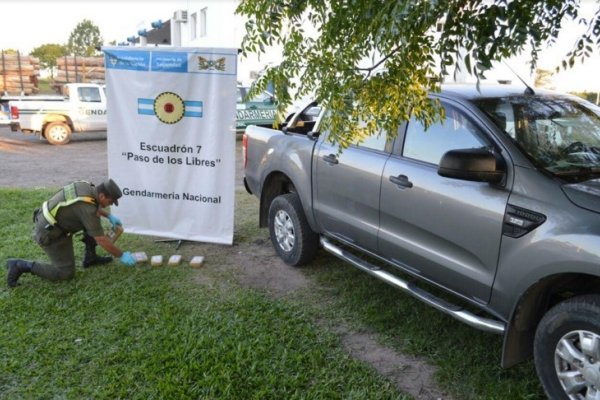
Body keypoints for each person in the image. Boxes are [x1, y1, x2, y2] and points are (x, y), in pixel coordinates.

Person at [5, 179, 136, 288]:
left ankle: (90, 258)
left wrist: (108, 215)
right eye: (110, 202)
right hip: (50, 234)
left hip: (48, 219)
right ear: (102, 196)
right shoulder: (88, 210)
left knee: (92, 224)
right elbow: (101, 239)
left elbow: (87, 204)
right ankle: (20, 265)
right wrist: (122, 255)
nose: (109, 204)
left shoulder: (86, 186)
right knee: (65, 273)